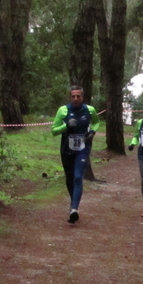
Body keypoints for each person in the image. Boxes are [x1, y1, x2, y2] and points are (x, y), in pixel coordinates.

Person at [51, 86, 100, 223]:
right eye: (73, 96)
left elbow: (96, 122)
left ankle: (74, 209)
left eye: (78, 96)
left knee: (78, 176)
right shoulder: (63, 110)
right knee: (70, 178)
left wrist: (93, 132)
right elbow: (54, 131)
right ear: (70, 97)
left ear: (82, 97)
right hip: (67, 149)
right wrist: (66, 126)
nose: (76, 99)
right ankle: (73, 203)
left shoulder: (90, 110)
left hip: (83, 149)